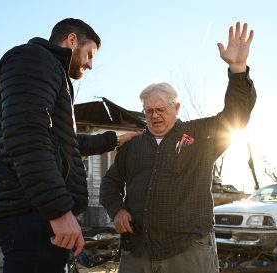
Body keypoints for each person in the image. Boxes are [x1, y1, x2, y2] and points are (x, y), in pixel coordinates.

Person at [0, 18, 139, 273]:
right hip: (30, 212)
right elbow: (26, 134)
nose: (91, 64)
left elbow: (62, 143)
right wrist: (58, 211)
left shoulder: (49, 69)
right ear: (72, 40)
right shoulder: (34, 58)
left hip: (36, 210)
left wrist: (114, 140)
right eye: (90, 54)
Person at [99, 22, 256, 273]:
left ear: (177, 108)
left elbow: (236, 115)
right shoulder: (133, 145)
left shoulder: (200, 135)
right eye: (148, 111)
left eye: (161, 109)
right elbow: (110, 183)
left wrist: (237, 70)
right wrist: (116, 210)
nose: (154, 116)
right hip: (138, 251)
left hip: (187, 251)